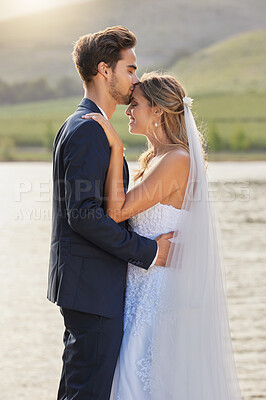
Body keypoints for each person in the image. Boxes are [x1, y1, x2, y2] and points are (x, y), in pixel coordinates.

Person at [82, 72, 242, 399]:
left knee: (140, 383)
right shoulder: (155, 159)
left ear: (157, 111)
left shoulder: (177, 160)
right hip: (139, 288)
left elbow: (117, 213)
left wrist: (115, 148)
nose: (127, 111)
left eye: (135, 105)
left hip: (160, 295)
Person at [47, 27, 173, 400]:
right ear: (105, 70)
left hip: (89, 287)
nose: (135, 80)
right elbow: (84, 215)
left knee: (78, 390)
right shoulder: (88, 130)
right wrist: (149, 251)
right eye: (130, 69)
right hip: (92, 288)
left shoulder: (87, 123)